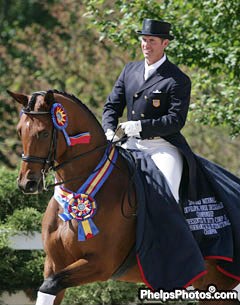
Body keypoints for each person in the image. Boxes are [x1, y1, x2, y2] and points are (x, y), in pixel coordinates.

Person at [102, 18, 191, 203]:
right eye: (144, 40)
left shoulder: (177, 79)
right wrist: (109, 130)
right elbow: (112, 106)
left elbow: (175, 121)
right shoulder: (129, 70)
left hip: (162, 146)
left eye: (152, 41)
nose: (146, 45)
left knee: (169, 194)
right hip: (129, 143)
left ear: (165, 43)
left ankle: (170, 230)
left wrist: (140, 126)